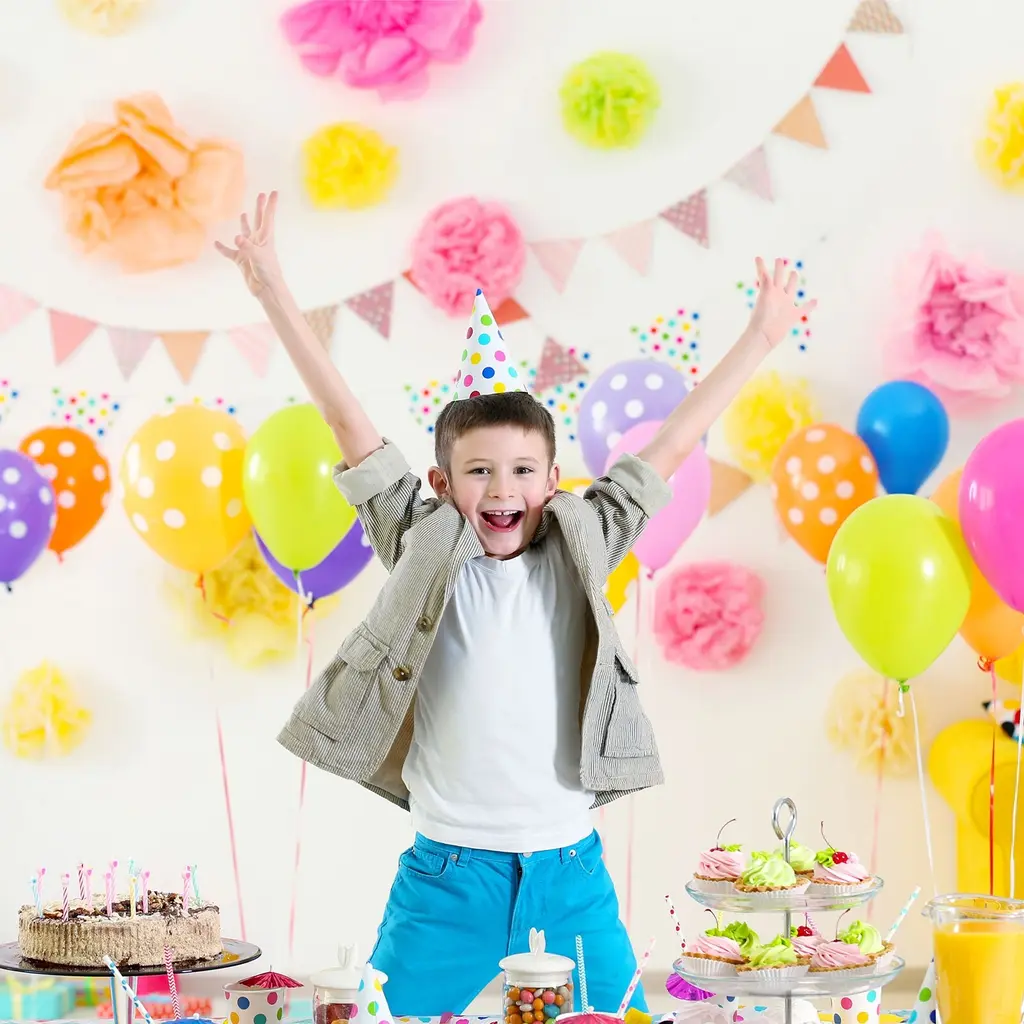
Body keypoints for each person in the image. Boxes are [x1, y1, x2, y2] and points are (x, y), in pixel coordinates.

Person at [217, 192, 816, 1014]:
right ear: (441, 482)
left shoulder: (584, 543)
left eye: (524, 471)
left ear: (554, 480)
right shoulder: (421, 543)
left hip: (569, 875)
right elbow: (346, 421)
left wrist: (760, 338)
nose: (503, 489)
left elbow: (671, 445)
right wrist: (272, 290)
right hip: (447, 881)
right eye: (480, 471)